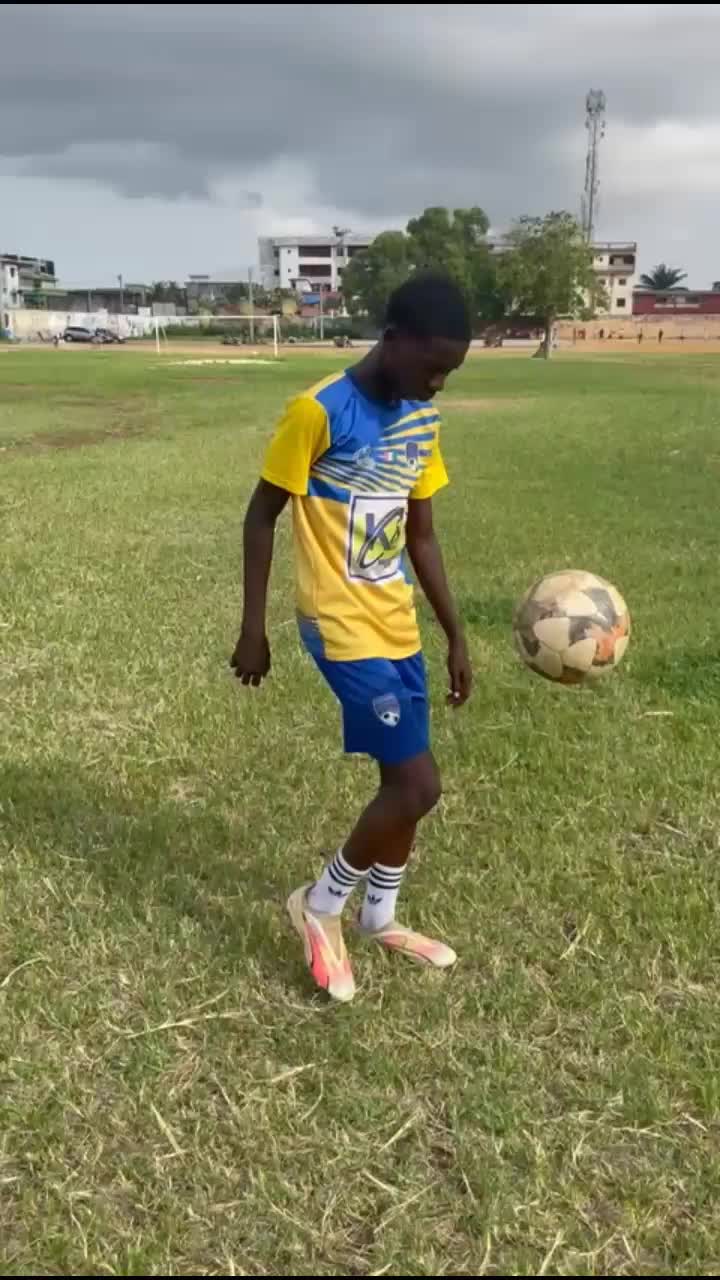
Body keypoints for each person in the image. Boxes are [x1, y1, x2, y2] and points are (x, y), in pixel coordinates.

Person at [231, 274, 473, 1002]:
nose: (437, 384)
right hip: (336, 622)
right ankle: (321, 902)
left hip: (394, 620)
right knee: (418, 783)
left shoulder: (422, 419)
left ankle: (380, 916)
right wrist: (253, 628)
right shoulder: (320, 411)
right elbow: (260, 516)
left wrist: (456, 634)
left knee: (406, 788)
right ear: (392, 339)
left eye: (450, 373)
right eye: (432, 367)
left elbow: (421, 536)